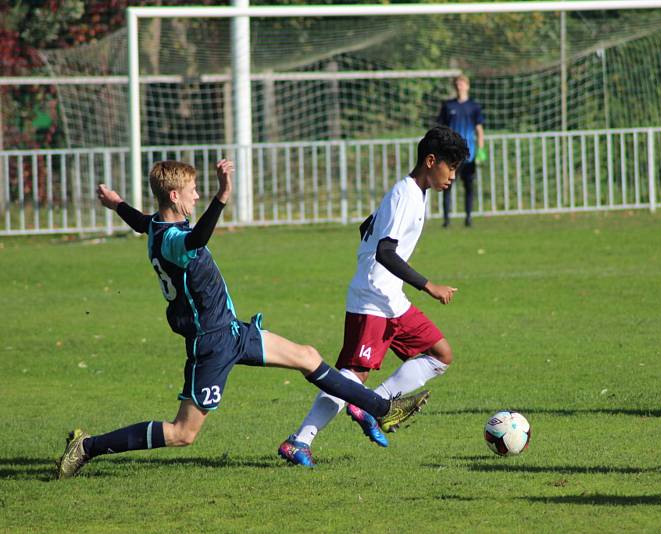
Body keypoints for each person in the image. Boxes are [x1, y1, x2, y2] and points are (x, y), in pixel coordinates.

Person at [56, 159, 430, 479]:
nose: (196, 196)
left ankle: (383, 409)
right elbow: (197, 239)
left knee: (307, 356)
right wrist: (222, 196)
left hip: (233, 330)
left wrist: (116, 203)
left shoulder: (157, 226)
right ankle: (87, 447)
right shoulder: (174, 239)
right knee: (183, 433)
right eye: (192, 191)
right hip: (213, 343)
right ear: (174, 197)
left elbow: (140, 221)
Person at [278, 126, 469, 467]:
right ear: (430, 161)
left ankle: (372, 404)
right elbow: (385, 251)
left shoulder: (415, 193)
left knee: (441, 355)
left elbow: (369, 228)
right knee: (351, 375)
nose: (453, 176)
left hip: (391, 298)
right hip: (372, 299)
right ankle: (299, 441)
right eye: (450, 167)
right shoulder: (405, 194)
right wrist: (429, 286)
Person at [436, 74, 486, 228]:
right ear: (454, 86)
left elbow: (479, 129)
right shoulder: (448, 106)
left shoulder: (474, 106)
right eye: (457, 84)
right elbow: (441, 129)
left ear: (467, 86)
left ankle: (468, 217)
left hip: (469, 155)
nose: (460, 86)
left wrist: (481, 149)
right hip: (451, 155)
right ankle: (446, 219)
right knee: (447, 185)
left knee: (469, 186)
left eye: (462, 83)